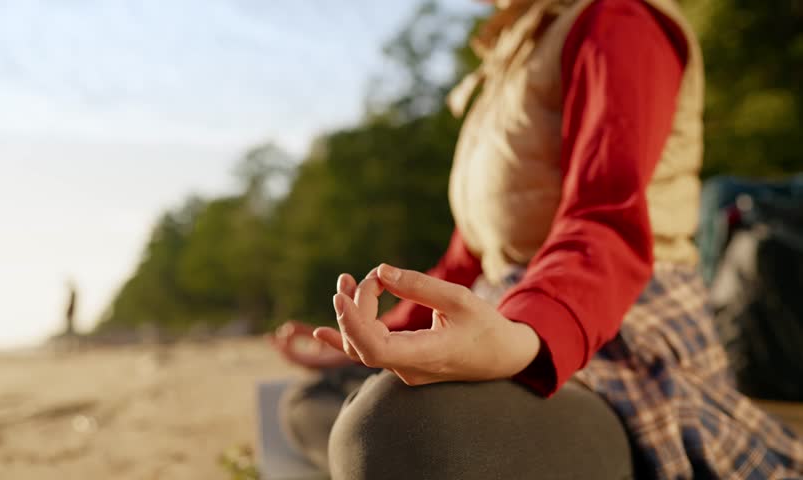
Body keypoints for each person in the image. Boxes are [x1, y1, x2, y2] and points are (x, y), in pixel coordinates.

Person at [271, 0, 803, 478]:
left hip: (609, 320)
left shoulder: (617, 18)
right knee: (311, 403)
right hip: (505, 306)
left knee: (387, 426)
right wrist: (374, 339)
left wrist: (525, 335)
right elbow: (470, 253)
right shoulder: (514, 52)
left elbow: (607, 223)